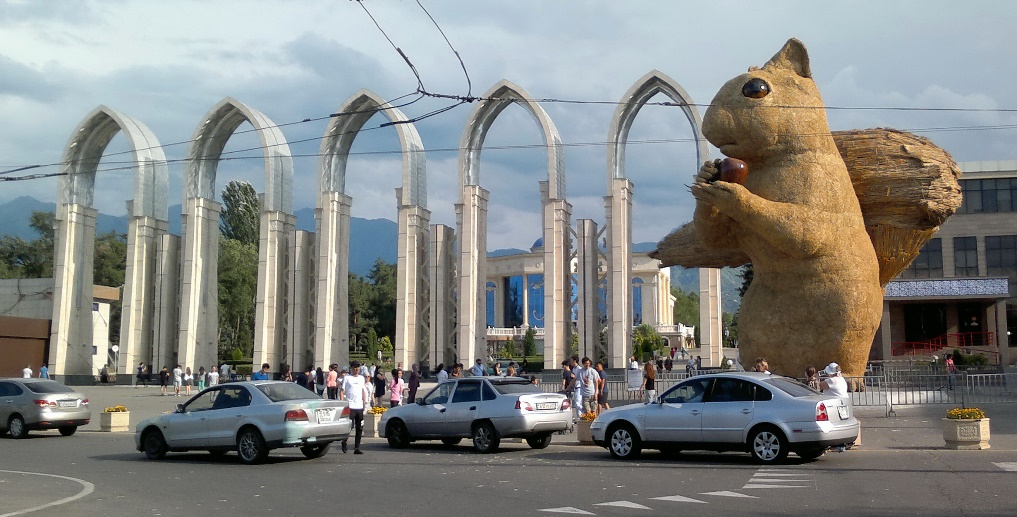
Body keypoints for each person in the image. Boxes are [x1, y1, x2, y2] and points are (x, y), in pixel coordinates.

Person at [340, 360, 369, 454]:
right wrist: (343, 403)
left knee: (359, 427)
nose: (356, 369)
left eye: (358, 367)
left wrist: (365, 403)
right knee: (350, 426)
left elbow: (363, 391)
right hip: (350, 406)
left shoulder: (361, 378)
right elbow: (342, 391)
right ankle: (344, 441)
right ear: (351, 368)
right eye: (355, 367)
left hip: (359, 406)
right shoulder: (347, 378)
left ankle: (357, 447)